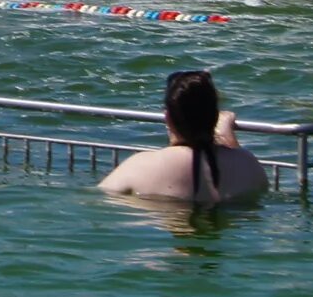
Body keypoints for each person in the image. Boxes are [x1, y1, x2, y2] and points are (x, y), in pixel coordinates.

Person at [99, 68, 267, 204]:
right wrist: (226, 135)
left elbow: (97, 199)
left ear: (168, 118)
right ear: (216, 117)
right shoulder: (248, 163)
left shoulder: (141, 165)